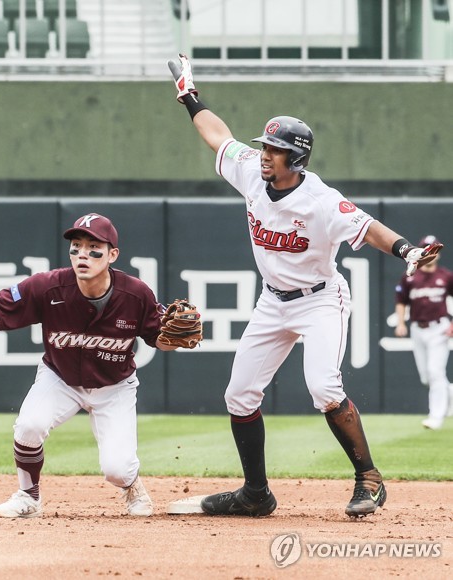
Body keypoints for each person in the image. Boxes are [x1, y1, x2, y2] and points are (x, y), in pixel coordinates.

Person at [168, 54, 443, 518]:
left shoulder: (320, 200)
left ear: (295, 157)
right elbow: (218, 135)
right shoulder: (251, 172)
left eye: (273, 150)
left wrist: (407, 251)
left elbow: (370, 226)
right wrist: (189, 96)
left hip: (320, 301)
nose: (263, 155)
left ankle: (369, 480)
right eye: (264, 146)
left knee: (323, 387)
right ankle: (256, 494)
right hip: (272, 302)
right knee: (239, 395)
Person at [0, 212, 188, 519]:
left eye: (94, 249)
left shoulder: (136, 293)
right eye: (76, 247)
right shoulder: (49, 286)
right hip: (60, 378)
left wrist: (176, 339)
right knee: (28, 426)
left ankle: (132, 486)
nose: (83, 255)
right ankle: (28, 496)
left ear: (112, 255)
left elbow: (159, 339)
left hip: (114, 386)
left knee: (117, 469)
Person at [394, 235, 453, 430]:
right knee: (426, 377)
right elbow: (401, 300)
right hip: (418, 329)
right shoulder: (410, 275)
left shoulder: (446, 276)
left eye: (433, 249)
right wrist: (401, 322)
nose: (430, 253)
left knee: (435, 372)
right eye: (426, 249)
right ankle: (449, 393)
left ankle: (435, 417)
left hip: (439, 328)